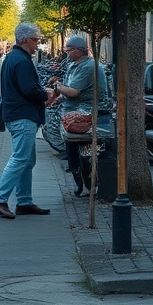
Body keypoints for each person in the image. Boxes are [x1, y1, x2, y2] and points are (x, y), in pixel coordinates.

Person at [0, 22, 52, 219]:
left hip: (17, 115)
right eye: (35, 40)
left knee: (27, 160)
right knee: (21, 158)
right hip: (23, 116)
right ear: (24, 40)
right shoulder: (22, 61)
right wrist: (45, 94)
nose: (37, 44)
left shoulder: (12, 58)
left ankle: (24, 202)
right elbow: (29, 90)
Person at [50, 34, 109, 196]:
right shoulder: (74, 65)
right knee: (70, 143)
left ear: (77, 50)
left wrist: (57, 86)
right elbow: (68, 90)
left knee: (79, 144)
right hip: (74, 110)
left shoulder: (88, 67)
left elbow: (73, 91)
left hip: (87, 111)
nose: (67, 53)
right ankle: (77, 173)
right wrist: (60, 97)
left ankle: (86, 177)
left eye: (69, 50)